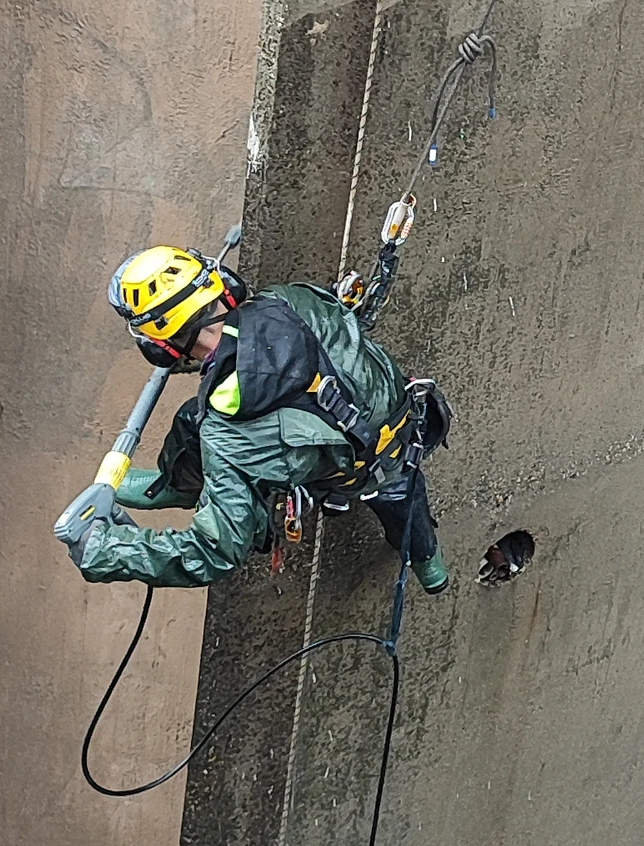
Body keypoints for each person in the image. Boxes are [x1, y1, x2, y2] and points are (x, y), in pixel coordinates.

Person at [70, 242, 451, 593]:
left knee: (403, 507)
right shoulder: (288, 298)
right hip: (408, 420)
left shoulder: (229, 435)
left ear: (162, 348)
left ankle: (429, 565)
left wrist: (105, 550)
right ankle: (177, 485)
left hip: (365, 467)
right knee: (193, 417)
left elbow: (213, 552)